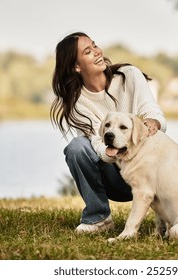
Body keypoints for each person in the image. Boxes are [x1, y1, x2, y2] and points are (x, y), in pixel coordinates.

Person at [51, 32, 167, 233]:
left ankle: (167, 216)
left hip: (147, 171)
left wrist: (152, 122)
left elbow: (151, 110)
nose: (97, 52)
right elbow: (96, 142)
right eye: (88, 51)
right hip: (115, 177)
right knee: (76, 148)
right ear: (76, 67)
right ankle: (98, 218)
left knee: (163, 147)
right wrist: (113, 151)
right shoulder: (77, 104)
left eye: (95, 46)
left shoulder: (129, 75)